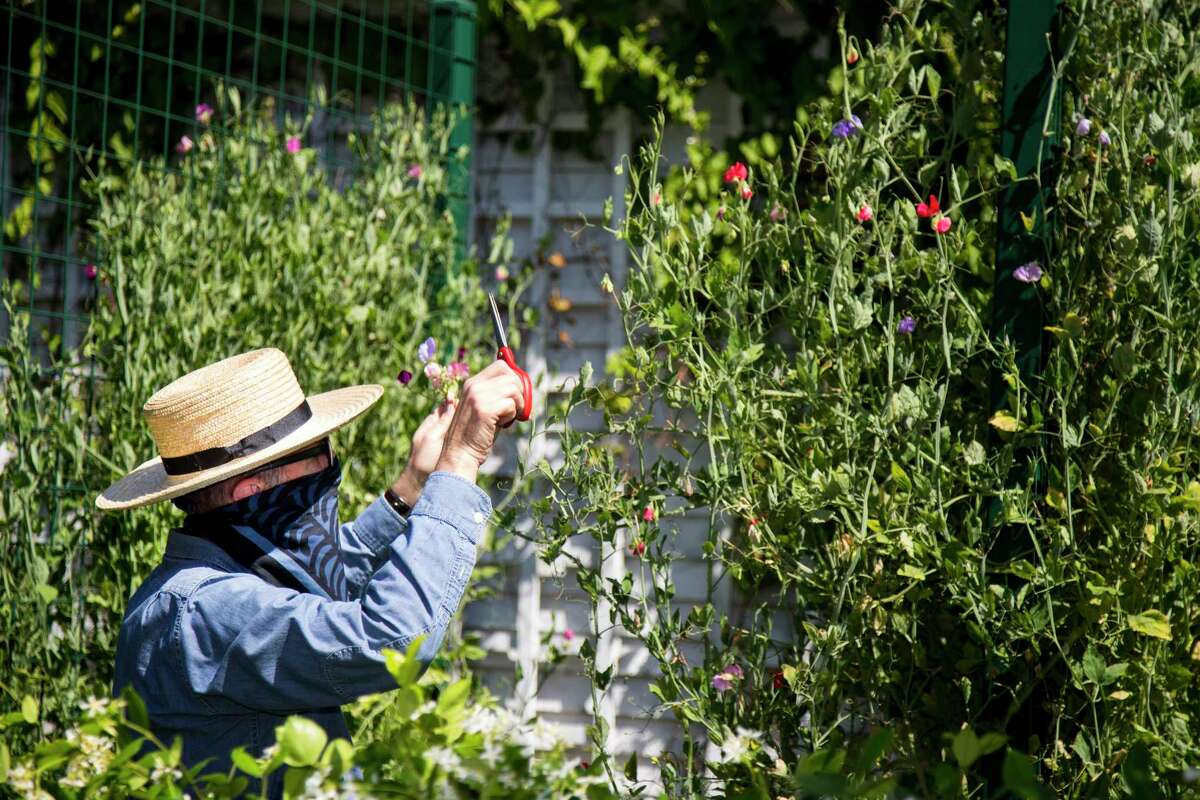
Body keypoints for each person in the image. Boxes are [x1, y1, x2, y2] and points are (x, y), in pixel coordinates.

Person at [98, 347, 525, 794]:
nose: (331, 465)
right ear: (254, 489)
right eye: (318, 454)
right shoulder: (204, 610)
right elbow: (391, 640)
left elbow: (317, 586)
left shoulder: (225, 563)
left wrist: (412, 488)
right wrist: (460, 463)